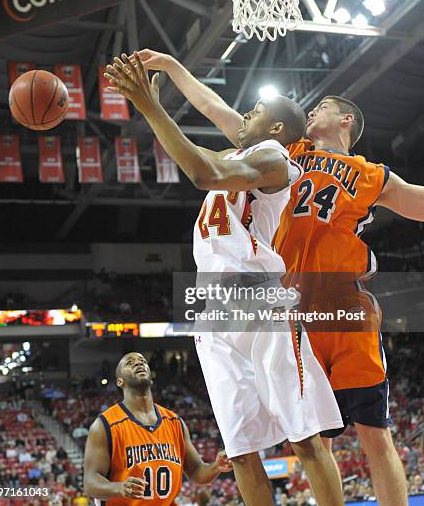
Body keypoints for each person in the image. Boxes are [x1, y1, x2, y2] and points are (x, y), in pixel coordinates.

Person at [135, 50, 422, 506]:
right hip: (287, 302)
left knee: (373, 431)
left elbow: (418, 202)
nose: (314, 111)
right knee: (311, 436)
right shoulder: (284, 153)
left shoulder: (371, 176)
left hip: (342, 306)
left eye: (324, 106)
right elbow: (217, 111)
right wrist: (173, 69)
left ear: (346, 119)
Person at [104, 54, 345, 506]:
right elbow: (209, 109)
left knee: (305, 438)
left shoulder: (275, 161)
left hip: (257, 299)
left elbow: (201, 173)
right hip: (211, 312)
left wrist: (149, 105)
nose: (245, 114)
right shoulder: (239, 153)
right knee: (242, 451)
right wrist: (171, 67)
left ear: (276, 130)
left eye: (256, 112)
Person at [83, 352, 232, 504]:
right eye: (130, 362)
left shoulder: (174, 422)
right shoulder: (105, 425)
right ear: (120, 381)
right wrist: (119, 488)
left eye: (142, 361)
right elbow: (90, 482)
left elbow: (196, 472)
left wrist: (216, 467)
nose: (138, 363)